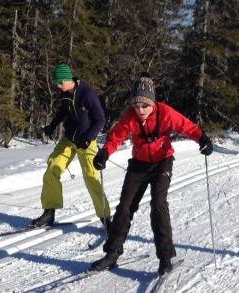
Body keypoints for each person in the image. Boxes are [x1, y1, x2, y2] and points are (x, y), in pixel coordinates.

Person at [89, 74, 213, 275]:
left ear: (152, 103)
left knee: (158, 204)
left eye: (144, 106)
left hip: (162, 162)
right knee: (125, 206)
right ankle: (112, 252)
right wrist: (104, 153)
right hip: (138, 164)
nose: (140, 111)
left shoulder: (165, 112)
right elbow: (115, 137)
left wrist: (202, 139)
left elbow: (187, 126)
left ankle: (165, 257)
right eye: (136, 106)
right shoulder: (130, 116)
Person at [30, 63, 111, 230]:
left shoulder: (87, 94)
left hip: (86, 140)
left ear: (68, 79)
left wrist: (88, 138)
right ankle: (49, 212)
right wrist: (52, 126)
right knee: (53, 166)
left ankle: (106, 218)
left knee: (91, 177)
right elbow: (63, 112)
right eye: (57, 84)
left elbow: (100, 119)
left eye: (60, 83)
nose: (58, 86)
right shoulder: (66, 93)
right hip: (69, 139)